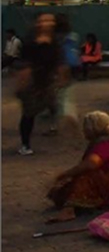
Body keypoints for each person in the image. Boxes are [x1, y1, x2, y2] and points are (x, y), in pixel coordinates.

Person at [46, 111, 109, 222]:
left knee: (86, 175)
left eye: (85, 127)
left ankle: (69, 211)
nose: (83, 130)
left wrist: (66, 173)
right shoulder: (100, 142)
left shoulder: (104, 144)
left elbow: (91, 164)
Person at [13, 14, 61, 155]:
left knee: (52, 105)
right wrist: (22, 82)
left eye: (50, 21)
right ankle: (25, 144)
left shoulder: (54, 42)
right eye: (44, 21)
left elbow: (58, 62)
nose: (48, 23)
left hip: (47, 82)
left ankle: (50, 125)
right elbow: (24, 64)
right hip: (32, 82)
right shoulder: (30, 43)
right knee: (28, 113)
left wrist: (60, 76)